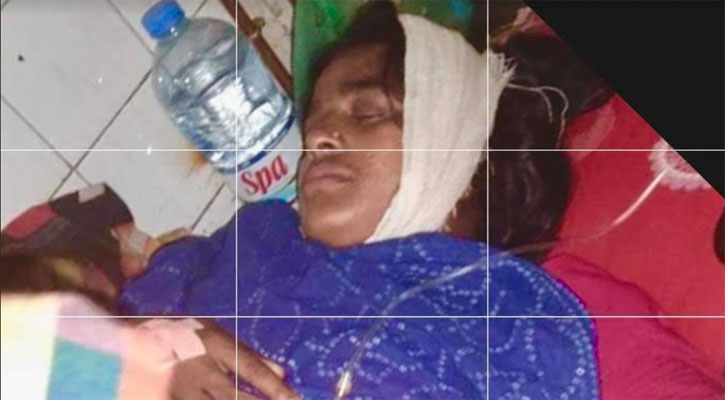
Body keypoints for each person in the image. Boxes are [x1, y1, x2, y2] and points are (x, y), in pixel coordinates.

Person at [121, 1, 723, 399]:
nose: (321, 135)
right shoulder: (256, 239)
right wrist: (151, 351)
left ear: (455, 151)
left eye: (366, 112)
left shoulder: (543, 303)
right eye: (317, 119)